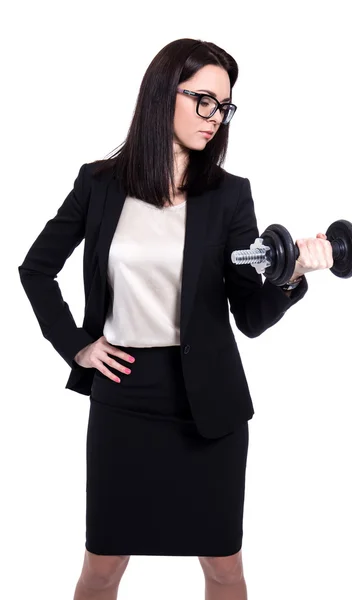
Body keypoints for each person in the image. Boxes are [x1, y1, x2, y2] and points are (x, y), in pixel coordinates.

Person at [18, 38, 333, 600]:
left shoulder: (230, 197)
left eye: (225, 106)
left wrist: (293, 276)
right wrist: (78, 346)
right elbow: (36, 269)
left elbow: (251, 315)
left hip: (208, 406)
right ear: (164, 94)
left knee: (223, 568)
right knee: (103, 566)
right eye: (204, 100)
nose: (216, 117)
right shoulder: (99, 184)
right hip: (124, 394)